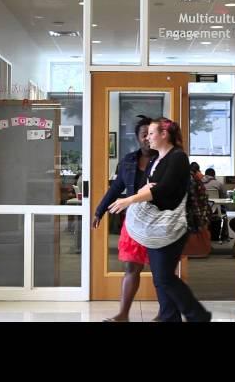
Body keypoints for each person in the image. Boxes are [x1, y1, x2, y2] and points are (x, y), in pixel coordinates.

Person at [108, 117, 212, 322]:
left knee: (164, 277)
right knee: (161, 278)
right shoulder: (158, 159)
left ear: (164, 135)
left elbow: (161, 189)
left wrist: (130, 199)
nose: (147, 137)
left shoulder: (178, 157)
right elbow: (150, 186)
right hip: (156, 227)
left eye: (152, 133)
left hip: (171, 227)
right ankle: (170, 317)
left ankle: (198, 315)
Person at [92, 115, 158, 322]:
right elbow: (116, 188)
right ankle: (122, 314)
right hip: (134, 222)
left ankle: (166, 314)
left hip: (159, 222)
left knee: (161, 271)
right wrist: (99, 211)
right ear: (138, 138)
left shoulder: (165, 159)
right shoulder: (129, 160)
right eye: (143, 134)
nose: (147, 138)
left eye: (151, 134)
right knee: (131, 267)